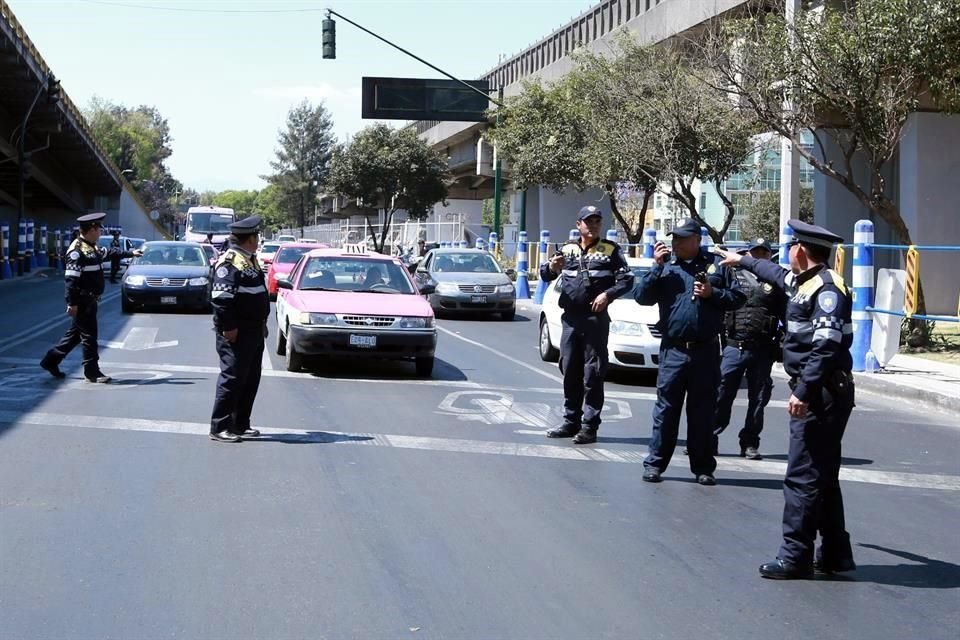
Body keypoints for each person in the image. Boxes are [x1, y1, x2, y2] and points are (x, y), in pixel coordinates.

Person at [714, 220, 856, 579]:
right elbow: (774, 273)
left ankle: (795, 556)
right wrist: (740, 260)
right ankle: (837, 554)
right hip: (822, 388)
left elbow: (825, 347)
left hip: (821, 391)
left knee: (802, 477)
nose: (787, 253)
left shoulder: (827, 290)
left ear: (801, 250)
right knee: (823, 476)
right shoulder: (804, 282)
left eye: (791, 247)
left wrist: (803, 391)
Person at [634, 219, 745, 485]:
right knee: (666, 410)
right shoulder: (666, 267)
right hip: (673, 350)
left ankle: (703, 467)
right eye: (674, 240)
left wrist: (712, 293)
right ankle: (655, 464)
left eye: (682, 239)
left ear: (697, 240)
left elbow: (738, 298)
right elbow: (641, 297)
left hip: (705, 351)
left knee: (702, 413)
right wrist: (655, 267)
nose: (676, 244)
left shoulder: (717, 265)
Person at [540, 205, 633, 445]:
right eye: (588, 221)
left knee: (593, 373)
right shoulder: (567, 249)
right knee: (569, 369)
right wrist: (551, 267)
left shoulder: (611, 250)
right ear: (578, 224)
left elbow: (626, 280)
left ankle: (590, 426)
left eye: (596, 222)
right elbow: (545, 274)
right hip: (571, 320)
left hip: (595, 321)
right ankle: (571, 420)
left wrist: (608, 295)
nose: (592, 226)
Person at [40, 213, 141, 383]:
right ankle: (92, 371)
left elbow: (109, 253)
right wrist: (72, 303)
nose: (101, 232)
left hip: (91, 299)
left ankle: (51, 361)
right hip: (83, 300)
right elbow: (71, 281)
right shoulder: (77, 251)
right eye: (99, 229)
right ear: (92, 229)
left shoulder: (91, 247)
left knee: (75, 335)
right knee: (89, 336)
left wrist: (131, 253)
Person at [713, 238, 786, 460]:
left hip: (762, 349)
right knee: (721, 394)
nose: (759, 256)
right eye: (755, 252)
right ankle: (709, 437)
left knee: (758, 398)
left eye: (764, 253)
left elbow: (788, 315)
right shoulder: (733, 274)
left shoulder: (778, 281)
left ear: (769, 257)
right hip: (734, 346)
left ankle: (750, 443)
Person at [209, 215, 271, 443]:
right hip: (237, 331)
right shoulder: (229, 263)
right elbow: (222, 299)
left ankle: (240, 423)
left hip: (253, 330)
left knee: (250, 378)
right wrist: (229, 327)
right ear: (250, 238)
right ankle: (220, 426)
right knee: (232, 378)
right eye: (256, 236)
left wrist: (262, 323)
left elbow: (255, 295)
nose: (258, 239)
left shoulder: (250, 260)